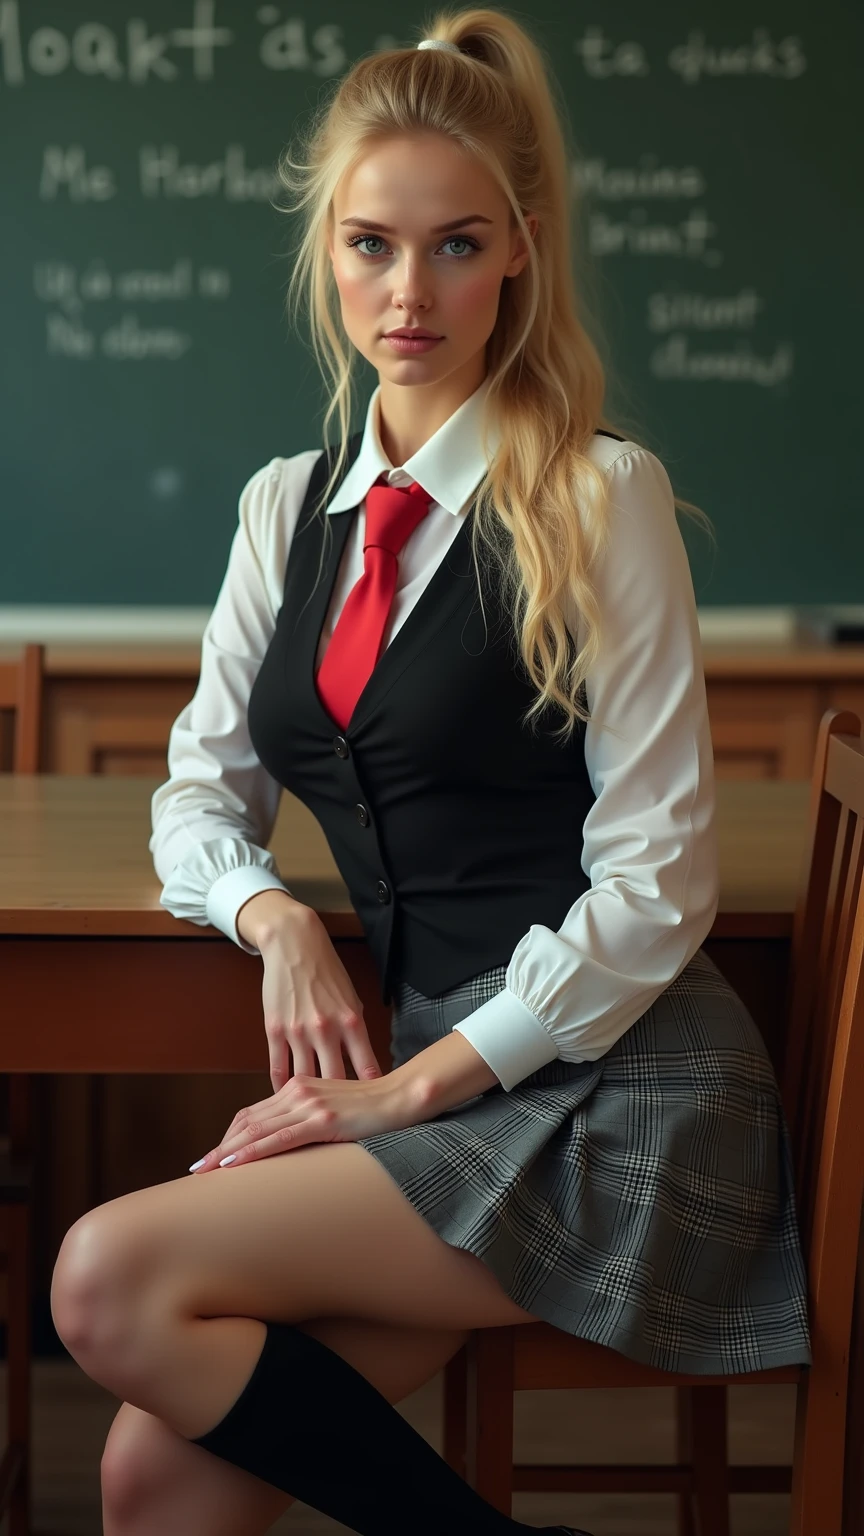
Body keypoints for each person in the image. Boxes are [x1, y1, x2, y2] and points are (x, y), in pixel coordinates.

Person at [49, 10, 811, 1536]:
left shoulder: (602, 495)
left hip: (610, 1094)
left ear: (522, 248)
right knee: (147, 1472)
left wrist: (402, 1091)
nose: (410, 295)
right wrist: (275, 920)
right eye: (371, 246)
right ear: (325, 253)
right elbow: (198, 796)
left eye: (457, 246)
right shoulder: (288, 507)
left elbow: (660, 881)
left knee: (104, 1275)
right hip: (435, 1091)